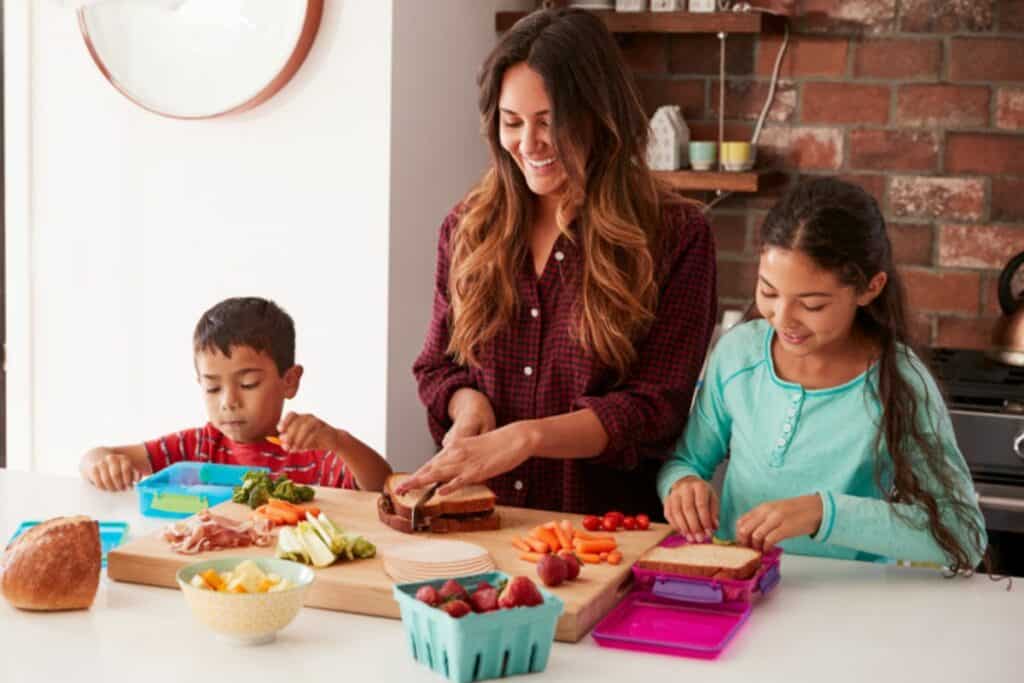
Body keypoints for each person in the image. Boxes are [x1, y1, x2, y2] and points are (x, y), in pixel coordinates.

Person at [400, 8, 718, 517]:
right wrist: (469, 407)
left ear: (599, 114)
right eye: (512, 122)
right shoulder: (467, 228)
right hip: (484, 523)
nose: (528, 145)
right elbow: (438, 366)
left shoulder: (675, 235)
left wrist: (528, 438)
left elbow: (655, 406)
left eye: (550, 122)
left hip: (606, 533)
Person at [658, 178, 986, 572]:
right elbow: (685, 461)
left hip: (849, 604)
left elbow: (963, 535)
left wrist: (824, 514)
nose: (782, 319)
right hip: (740, 591)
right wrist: (682, 486)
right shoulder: (738, 354)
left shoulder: (901, 383)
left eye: (812, 305)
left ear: (870, 288)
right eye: (768, 291)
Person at [80, 297, 392, 492]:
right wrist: (101, 464)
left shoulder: (311, 453)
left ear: (290, 381)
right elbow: (97, 456)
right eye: (212, 387)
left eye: (248, 384)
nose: (228, 401)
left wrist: (338, 441)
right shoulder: (197, 447)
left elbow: (381, 486)